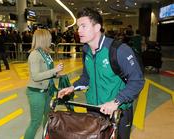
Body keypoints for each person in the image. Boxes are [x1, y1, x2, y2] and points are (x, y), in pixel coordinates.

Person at [58, 7, 144, 139]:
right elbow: (87, 78)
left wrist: (116, 102)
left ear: (97, 27)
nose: (78, 30)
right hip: (94, 110)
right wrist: (72, 87)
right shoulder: (86, 51)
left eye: (83, 26)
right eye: (78, 27)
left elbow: (137, 81)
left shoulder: (119, 50)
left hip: (118, 112)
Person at [24, 29, 64, 139]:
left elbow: (45, 72)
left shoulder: (45, 53)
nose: (51, 39)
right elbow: (36, 76)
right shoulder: (35, 55)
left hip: (47, 91)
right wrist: (54, 71)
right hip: (36, 93)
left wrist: (56, 75)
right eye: (49, 38)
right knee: (35, 122)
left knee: (47, 119)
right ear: (43, 39)